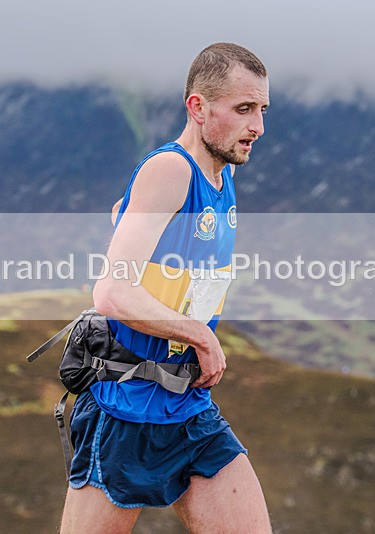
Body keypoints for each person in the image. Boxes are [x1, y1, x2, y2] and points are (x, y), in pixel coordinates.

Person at [60, 42, 271, 533]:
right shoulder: (171, 169)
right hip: (126, 408)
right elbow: (111, 292)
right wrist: (201, 335)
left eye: (261, 109)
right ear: (197, 107)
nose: (258, 126)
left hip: (188, 409)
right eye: (243, 109)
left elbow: (138, 220)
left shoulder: (221, 175)